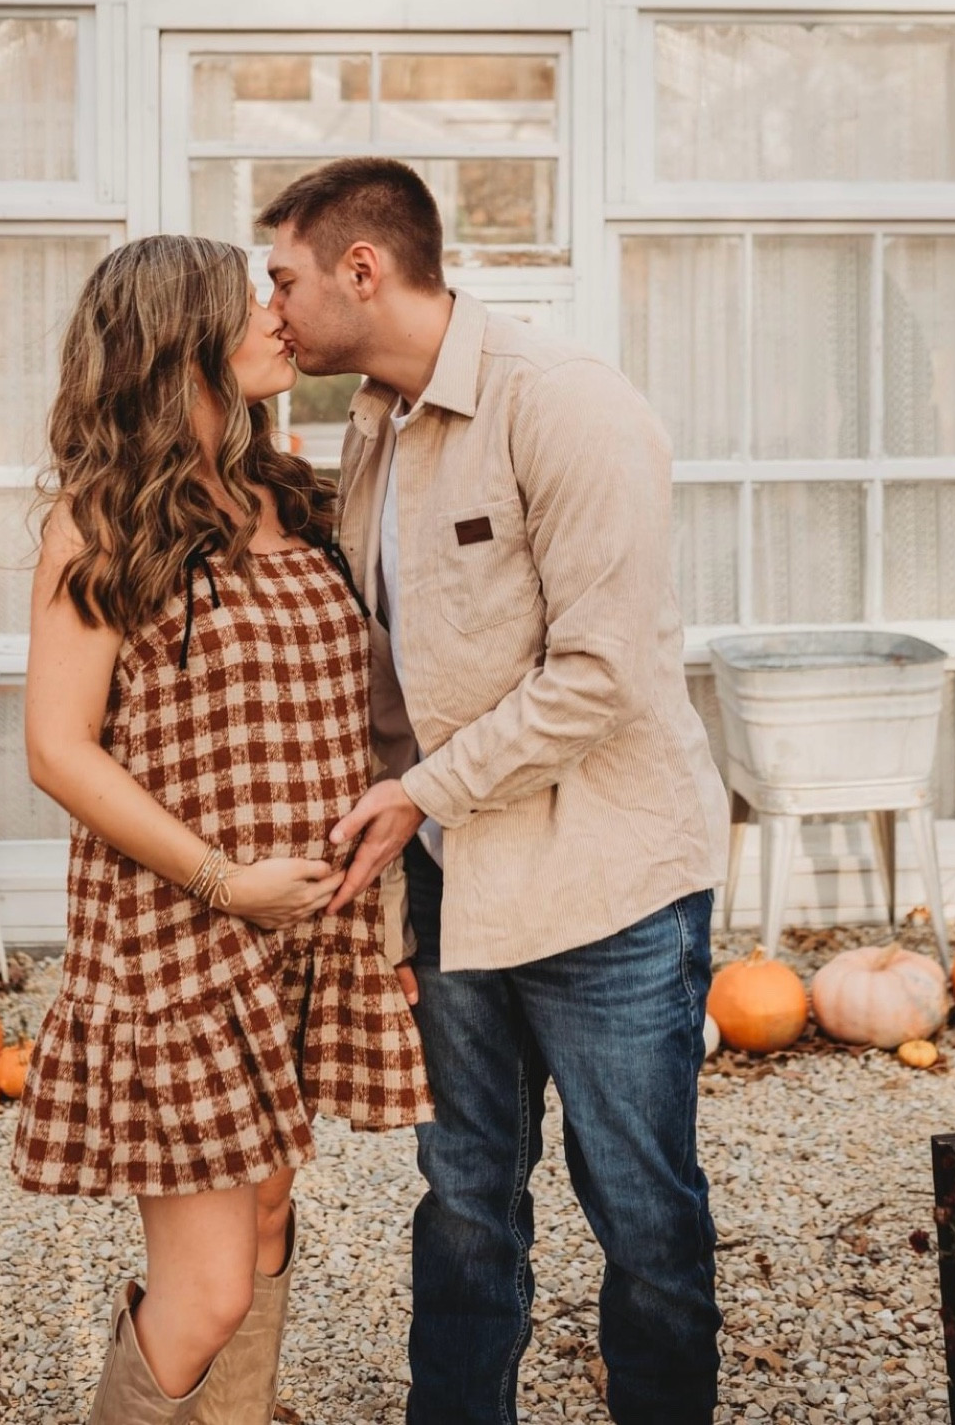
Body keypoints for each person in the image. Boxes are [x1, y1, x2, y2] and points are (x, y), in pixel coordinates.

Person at [260, 159, 731, 1425]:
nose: (274, 308)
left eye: (285, 278)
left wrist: (417, 792)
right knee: (466, 1199)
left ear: (364, 268)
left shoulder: (565, 406)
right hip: (449, 887)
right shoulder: (370, 419)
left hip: (607, 889)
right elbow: (376, 649)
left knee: (643, 1212)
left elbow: (601, 675)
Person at [10, 234, 431, 1425]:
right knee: (201, 1290)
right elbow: (57, 746)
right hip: (180, 938)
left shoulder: (290, 492)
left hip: (300, 931)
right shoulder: (98, 524)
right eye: (245, 301)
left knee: (265, 1219)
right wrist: (220, 878)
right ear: (172, 343)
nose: (273, 316)